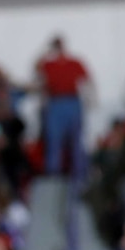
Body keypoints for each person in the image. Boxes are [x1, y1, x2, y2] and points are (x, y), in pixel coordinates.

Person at [35, 35, 92, 177]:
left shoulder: (74, 62)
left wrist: (90, 100)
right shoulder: (48, 64)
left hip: (72, 101)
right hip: (55, 102)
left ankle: (80, 174)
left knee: (76, 141)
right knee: (53, 140)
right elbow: (36, 68)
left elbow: (88, 81)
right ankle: (53, 174)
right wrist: (47, 50)